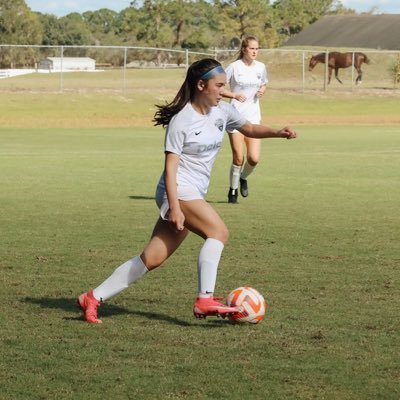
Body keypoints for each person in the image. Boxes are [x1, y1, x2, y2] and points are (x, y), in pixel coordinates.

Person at [77, 58, 296, 324]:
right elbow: (170, 170)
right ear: (201, 85)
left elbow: (248, 128)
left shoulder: (223, 112)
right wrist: (176, 207)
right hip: (177, 190)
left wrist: (277, 132)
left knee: (152, 258)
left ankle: (92, 297)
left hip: (191, 193)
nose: (224, 91)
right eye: (219, 86)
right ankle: (205, 299)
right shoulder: (181, 121)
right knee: (218, 232)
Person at [222, 35, 268, 204]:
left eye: (257, 48)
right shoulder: (234, 67)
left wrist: (262, 90)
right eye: (252, 48)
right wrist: (234, 94)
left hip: (254, 118)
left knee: (254, 158)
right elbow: (219, 88)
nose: (255, 51)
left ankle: (242, 177)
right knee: (238, 158)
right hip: (235, 117)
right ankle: (232, 190)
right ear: (244, 49)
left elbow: (264, 83)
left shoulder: (261, 67)